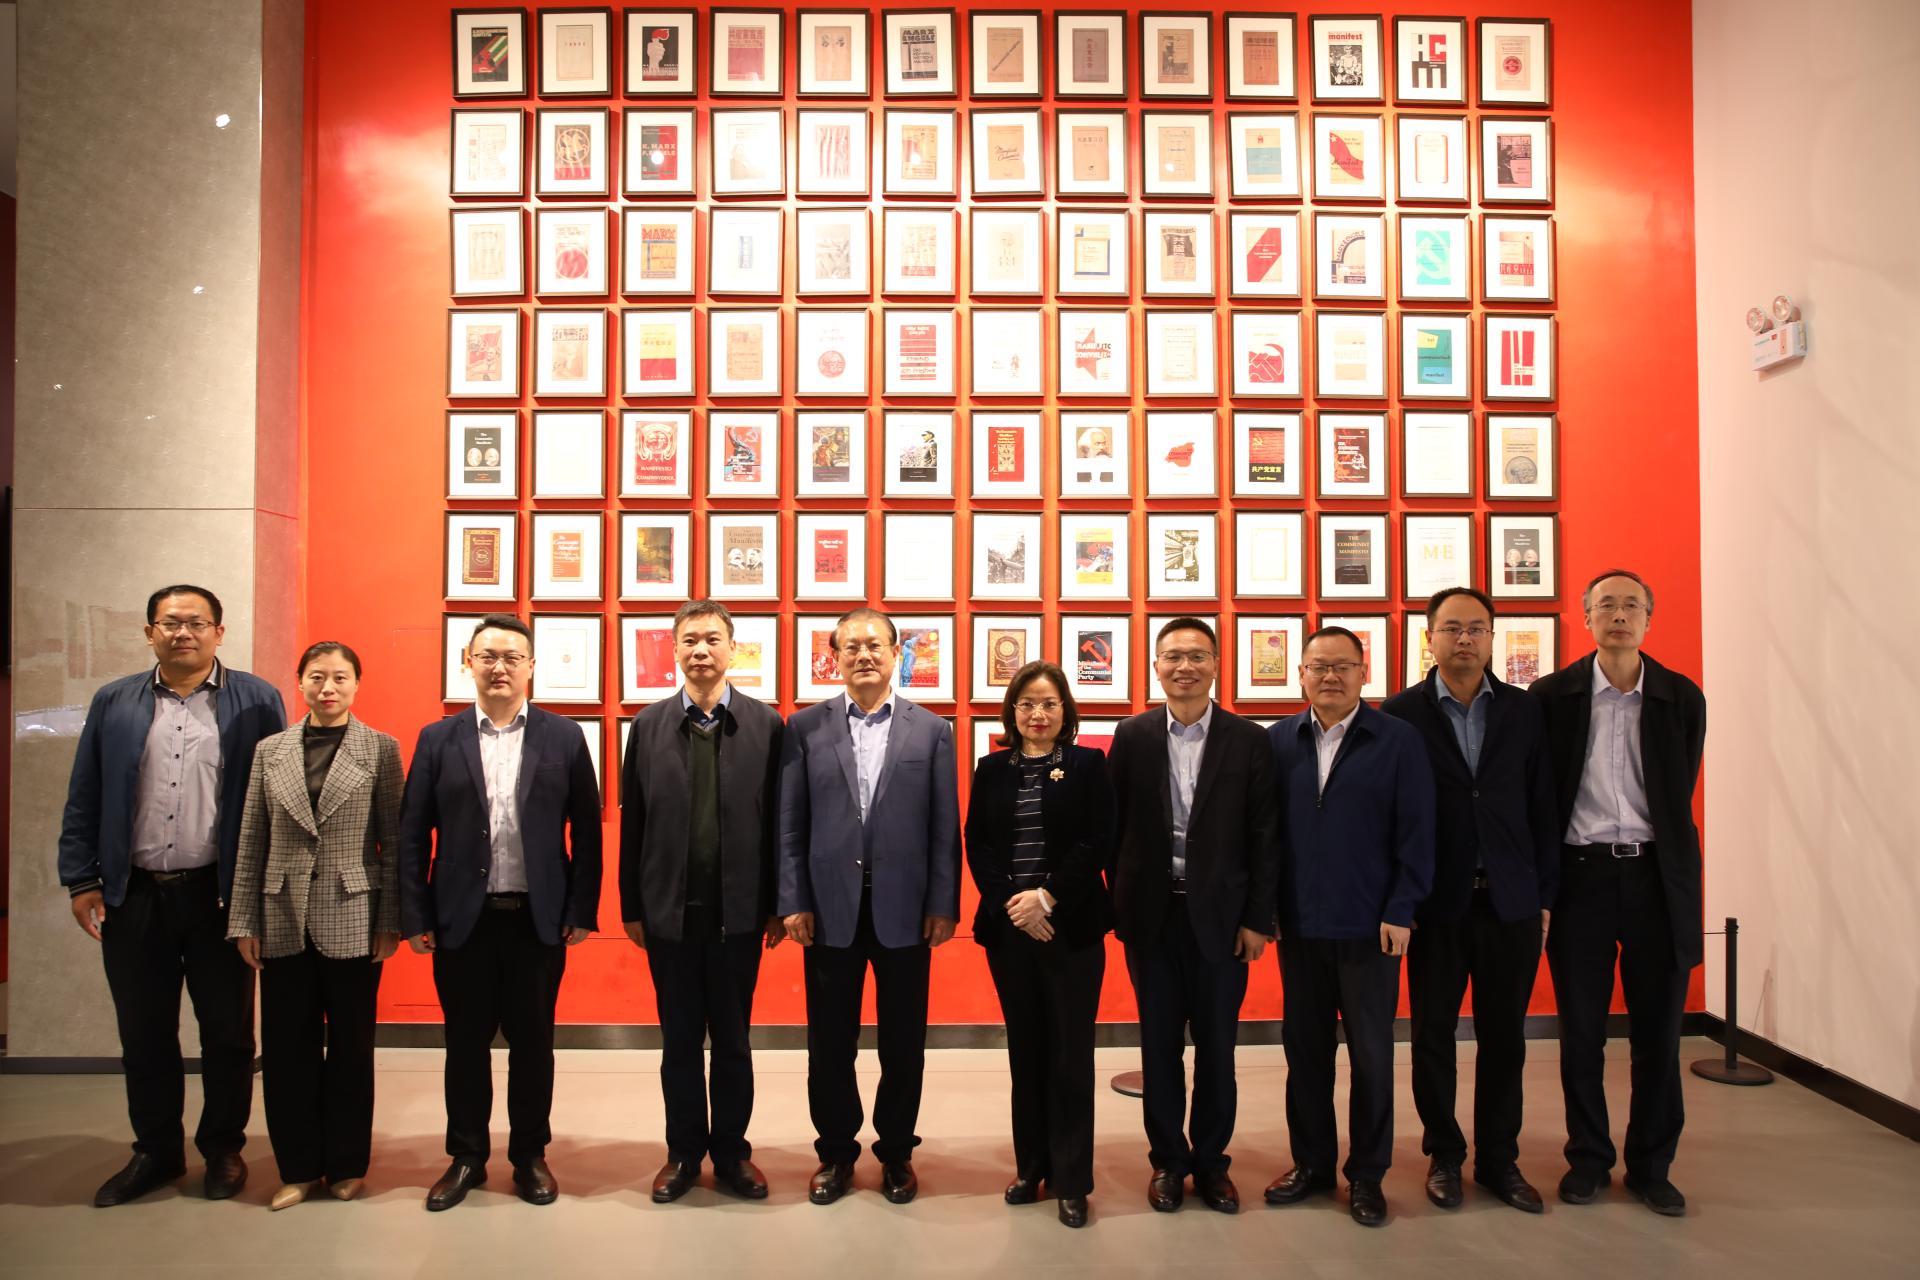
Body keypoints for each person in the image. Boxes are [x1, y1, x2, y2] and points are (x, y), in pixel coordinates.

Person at [58, 584, 287, 1207]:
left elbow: (276, 799)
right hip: (135, 895)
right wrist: (82, 879)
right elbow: (85, 792)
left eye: (197, 622)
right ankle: (156, 1151)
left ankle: (223, 1148)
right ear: (149, 632)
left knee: (228, 1034)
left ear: (219, 632)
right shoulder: (115, 701)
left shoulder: (256, 699)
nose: (183, 632)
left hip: (219, 895)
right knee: (144, 1032)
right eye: (170, 622)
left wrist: (264, 896)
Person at [399, 614, 602, 1211]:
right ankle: (466, 1156)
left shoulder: (564, 737)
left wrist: (580, 907)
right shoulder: (438, 739)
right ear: (468, 662)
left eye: (512, 657)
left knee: (533, 1044)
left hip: (536, 920)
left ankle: (529, 1155)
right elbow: (413, 834)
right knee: (464, 1043)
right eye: (487, 656)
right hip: (462, 920)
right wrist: (416, 915)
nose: (499, 667)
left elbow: (587, 833)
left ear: (531, 666)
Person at [1531, 570, 1706, 1217]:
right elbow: (1543, 793)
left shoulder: (1680, 698)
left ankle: (1652, 1166)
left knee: (1658, 1034)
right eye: (1606, 604)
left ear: (1649, 619)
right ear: (1587, 617)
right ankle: (1588, 1159)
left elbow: (1679, 787)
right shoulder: (1553, 696)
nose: (1620, 615)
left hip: (1657, 878)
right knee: (1581, 1031)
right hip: (1582, 877)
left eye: (1633, 605)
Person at [1381, 589, 1560, 1215]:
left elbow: (1544, 806)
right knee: (1433, 1034)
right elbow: (1391, 817)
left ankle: (1499, 1159)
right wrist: (1399, 901)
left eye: (1477, 629)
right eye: (1452, 628)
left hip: (1510, 901)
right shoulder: (1401, 714)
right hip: (1436, 903)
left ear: (1491, 638)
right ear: (1429, 637)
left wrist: (1544, 895)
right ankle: (1444, 1155)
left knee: (1505, 1037)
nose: (1464, 639)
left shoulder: (1524, 710)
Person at [777, 607, 961, 1206]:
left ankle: (898, 1151)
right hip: (828, 909)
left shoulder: (931, 730)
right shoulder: (805, 728)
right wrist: (793, 899)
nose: (863, 655)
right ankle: (835, 1153)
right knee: (830, 1043)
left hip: (906, 909)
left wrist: (943, 903)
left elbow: (944, 827)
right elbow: (790, 824)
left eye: (875, 645)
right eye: (851, 646)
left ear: (895, 653)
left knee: (903, 1043)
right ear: (834, 657)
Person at [1107, 617, 1279, 1215]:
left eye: (1198, 656)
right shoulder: (1132, 736)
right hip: (1151, 919)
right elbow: (1113, 827)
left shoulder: (1248, 739)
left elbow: (1264, 835)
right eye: (1174, 656)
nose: (1185, 666)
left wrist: (1258, 919)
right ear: (1156, 666)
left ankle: (1210, 1163)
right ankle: (1167, 1162)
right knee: (1159, 1049)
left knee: (1217, 1049)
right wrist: (1120, 902)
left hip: (1223, 921)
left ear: (1216, 665)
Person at [1266, 626, 1434, 1228]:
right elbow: (1265, 835)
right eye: (1319, 667)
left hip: (1371, 928)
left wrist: (1402, 908)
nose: (1330, 676)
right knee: (1305, 1054)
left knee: (1371, 1057)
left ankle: (1367, 1174)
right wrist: (1267, 910)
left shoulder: (1397, 740)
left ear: (1364, 674)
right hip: (1300, 929)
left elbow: (1418, 831)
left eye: (1343, 666)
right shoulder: (1278, 741)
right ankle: (1311, 1164)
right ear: (1301, 675)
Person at [227, 641, 405, 1210]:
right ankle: (298, 1168)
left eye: (340, 677)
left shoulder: (380, 749)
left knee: (352, 1047)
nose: (328, 688)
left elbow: (394, 841)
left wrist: (391, 920)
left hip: (354, 912)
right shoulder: (270, 751)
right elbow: (251, 837)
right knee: (286, 1050)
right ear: (300, 681)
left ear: (357, 684)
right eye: (317, 677)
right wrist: (244, 919)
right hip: (281, 914)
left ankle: (347, 1165)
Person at [620, 601, 785, 1204]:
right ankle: (684, 1154)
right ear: (674, 650)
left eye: (713, 639)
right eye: (689, 640)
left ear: (732, 648)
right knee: (680, 1043)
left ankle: (733, 1154)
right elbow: (633, 823)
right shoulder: (648, 725)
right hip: (670, 916)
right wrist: (631, 906)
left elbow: (781, 823)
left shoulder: (767, 726)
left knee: (734, 1043)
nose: (701, 650)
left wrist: (779, 903)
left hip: (739, 915)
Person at [964, 662, 1114, 1229]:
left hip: (1071, 930)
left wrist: (1046, 898)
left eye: (1049, 703)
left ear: (1065, 710)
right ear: (1012, 711)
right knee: (1025, 1054)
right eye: (1027, 703)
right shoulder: (992, 769)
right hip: (1011, 933)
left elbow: (1097, 841)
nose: (1038, 713)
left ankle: (1072, 1180)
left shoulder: (1087, 765)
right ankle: (1032, 1167)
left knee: (1071, 1057)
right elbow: (978, 844)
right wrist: (1015, 905)